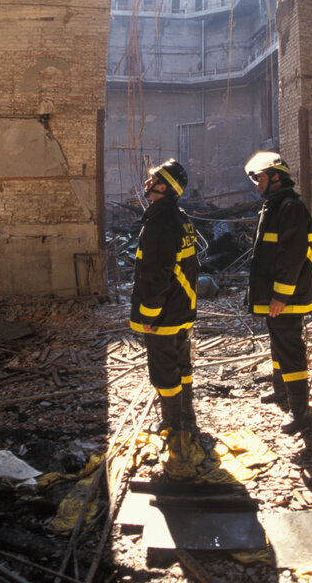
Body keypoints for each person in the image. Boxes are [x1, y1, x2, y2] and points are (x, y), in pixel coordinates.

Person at [244, 151, 312, 434]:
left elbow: (292, 257)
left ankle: (300, 411)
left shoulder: (290, 208)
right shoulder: (274, 206)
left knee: (290, 349)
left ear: (276, 178)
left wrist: (281, 296)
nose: (257, 184)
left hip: (288, 297)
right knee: (278, 344)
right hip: (277, 296)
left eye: (260, 178)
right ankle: (282, 392)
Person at [129, 159, 200, 433]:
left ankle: (172, 423)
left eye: (153, 179)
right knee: (181, 362)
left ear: (164, 187)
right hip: (181, 308)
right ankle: (187, 415)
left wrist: (149, 312)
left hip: (163, 313)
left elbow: (156, 274)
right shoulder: (181, 219)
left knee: (164, 368)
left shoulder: (160, 222)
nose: (147, 183)